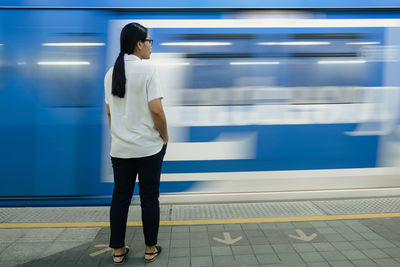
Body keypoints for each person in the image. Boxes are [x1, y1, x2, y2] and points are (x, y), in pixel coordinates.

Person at [104, 22, 168, 264]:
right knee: (149, 198)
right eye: (149, 41)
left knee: (120, 197)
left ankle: (118, 251)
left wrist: (120, 136)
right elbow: (157, 111)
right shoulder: (148, 70)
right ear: (139, 44)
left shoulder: (110, 73)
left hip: (120, 149)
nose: (151, 46)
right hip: (148, 148)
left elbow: (110, 114)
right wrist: (165, 136)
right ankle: (150, 249)